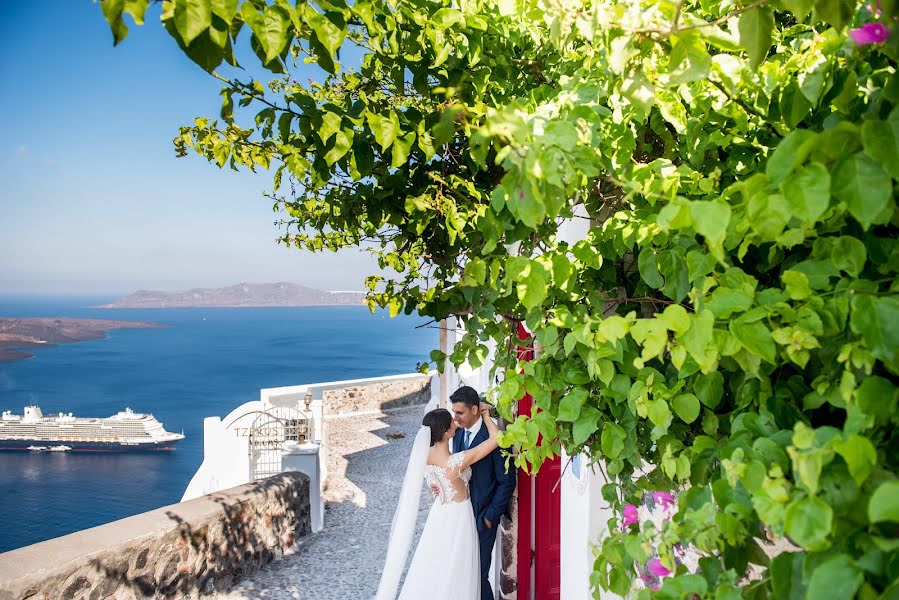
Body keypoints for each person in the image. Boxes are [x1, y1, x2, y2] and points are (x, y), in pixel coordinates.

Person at [374, 399, 501, 600]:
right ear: (446, 432)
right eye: (452, 421)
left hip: (440, 515)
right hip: (460, 517)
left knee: (438, 565)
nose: (456, 422)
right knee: (459, 568)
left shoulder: (424, 458)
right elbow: (496, 439)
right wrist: (486, 416)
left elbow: (433, 485)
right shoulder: (455, 462)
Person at [450, 386, 517, 600]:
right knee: (464, 573)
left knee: (478, 575)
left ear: (475, 410)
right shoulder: (458, 432)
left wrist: (490, 516)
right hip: (461, 516)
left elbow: (507, 481)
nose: (456, 418)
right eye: (454, 412)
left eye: (460, 413)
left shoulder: (496, 438)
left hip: (482, 518)